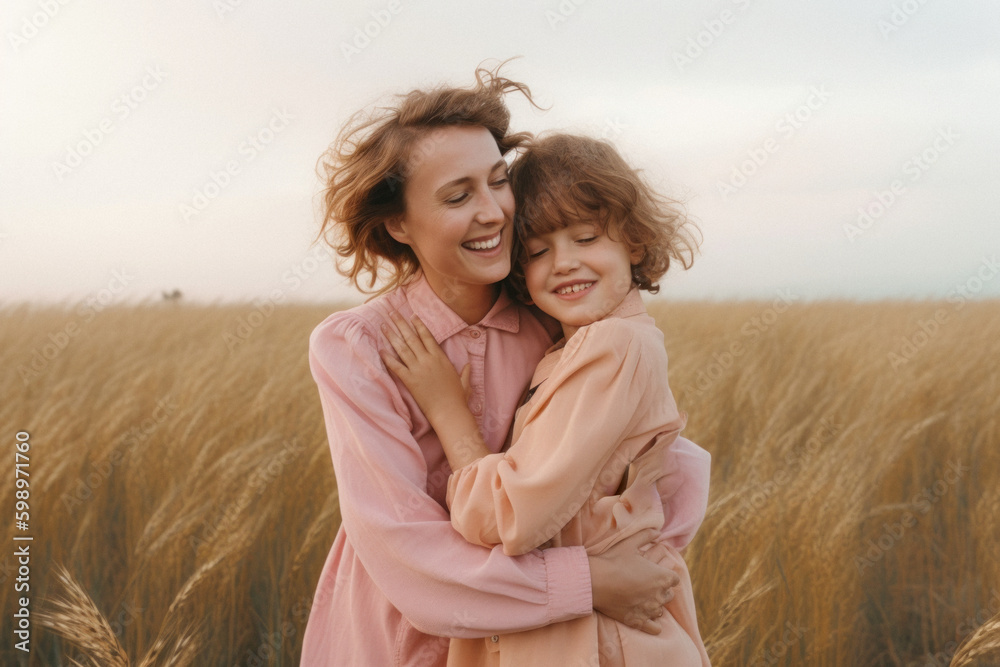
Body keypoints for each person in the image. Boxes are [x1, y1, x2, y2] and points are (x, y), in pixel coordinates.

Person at [300, 64, 709, 667]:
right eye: (459, 195)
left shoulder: (561, 320)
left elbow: (662, 469)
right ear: (398, 223)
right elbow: (398, 541)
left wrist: (634, 560)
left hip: (548, 642)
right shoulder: (357, 346)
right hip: (400, 631)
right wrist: (587, 581)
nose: (493, 211)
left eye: (498, 181)